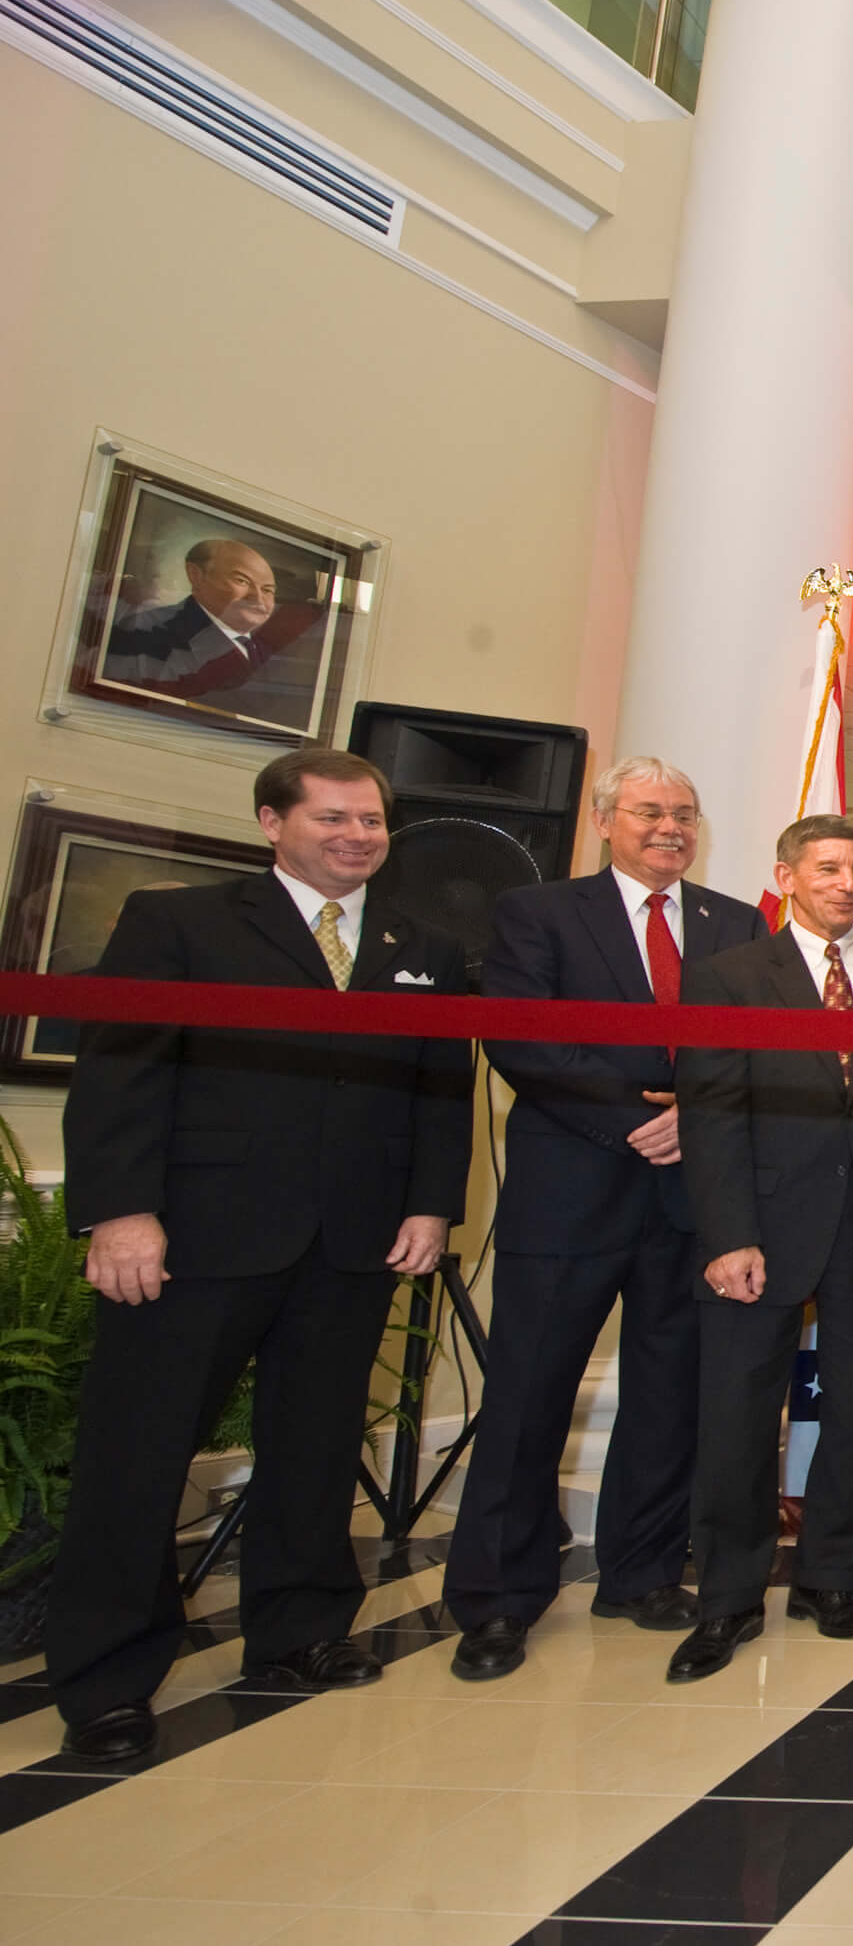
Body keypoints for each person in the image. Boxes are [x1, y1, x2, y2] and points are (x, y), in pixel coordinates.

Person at [50, 748, 471, 1760]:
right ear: (270, 822)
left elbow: (439, 1088)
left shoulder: (427, 943)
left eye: (369, 820)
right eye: (331, 817)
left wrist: (431, 1207)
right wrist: (119, 1213)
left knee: (319, 1446)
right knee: (140, 1454)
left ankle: (299, 1632)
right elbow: (120, 1076)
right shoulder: (179, 922)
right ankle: (107, 1678)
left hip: (354, 1237)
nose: (356, 836)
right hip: (193, 1236)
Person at [446, 759, 764, 1681]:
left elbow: (746, 1048)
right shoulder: (540, 913)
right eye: (650, 811)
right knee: (528, 1395)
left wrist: (693, 1120)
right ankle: (498, 1600)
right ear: (604, 821)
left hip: (689, 1197)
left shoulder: (734, 924)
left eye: (684, 814)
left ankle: (641, 1573)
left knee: (669, 1398)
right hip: (573, 1187)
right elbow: (521, 1036)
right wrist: (631, 1120)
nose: (669, 827)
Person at [668, 816, 853, 1683]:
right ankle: (727, 1598)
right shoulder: (727, 978)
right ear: (786, 874)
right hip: (761, 1232)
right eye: (829, 868)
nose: (848, 883)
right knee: (737, 1420)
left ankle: (832, 1578)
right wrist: (727, 1237)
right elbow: (711, 1117)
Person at [102, 539, 281, 700]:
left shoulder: (269, 650)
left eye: (267, 590)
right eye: (242, 581)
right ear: (196, 575)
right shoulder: (144, 629)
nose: (257, 598)